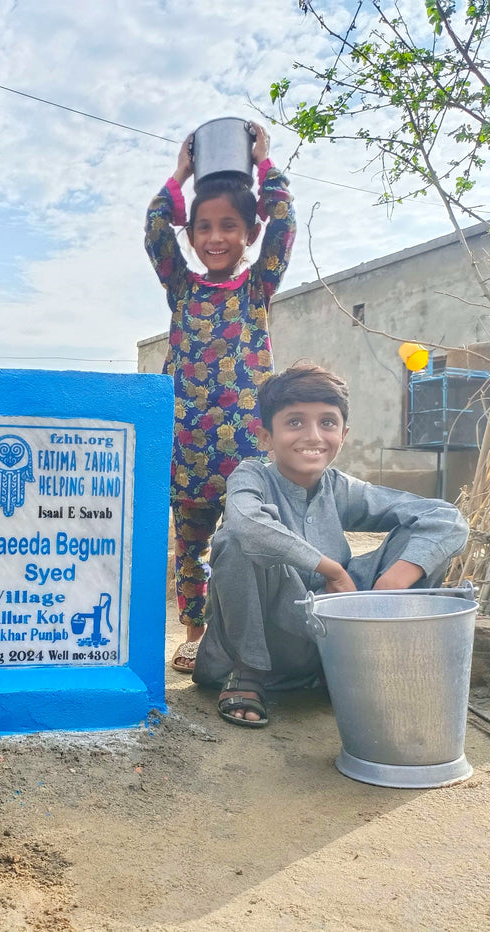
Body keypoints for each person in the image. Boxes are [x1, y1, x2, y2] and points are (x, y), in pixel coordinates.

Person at [192, 363, 470, 726]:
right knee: (236, 538)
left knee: (425, 539)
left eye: (327, 423)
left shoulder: (342, 488)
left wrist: (390, 586)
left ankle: (365, 666)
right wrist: (332, 570)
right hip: (263, 645)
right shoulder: (252, 476)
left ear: (344, 434)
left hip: (333, 643)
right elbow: (247, 524)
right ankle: (249, 673)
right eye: (294, 422)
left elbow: (445, 518)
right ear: (265, 437)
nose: (313, 436)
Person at [144, 121, 296, 674]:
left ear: (248, 233)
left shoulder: (258, 287)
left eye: (229, 226)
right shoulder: (181, 288)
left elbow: (284, 223)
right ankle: (193, 632)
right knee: (190, 550)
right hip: (186, 448)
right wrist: (181, 174)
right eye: (203, 227)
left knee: (250, 544)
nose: (214, 237)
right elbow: (156, 229)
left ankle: (248, 638)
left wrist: (264, 165)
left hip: (247, 455)